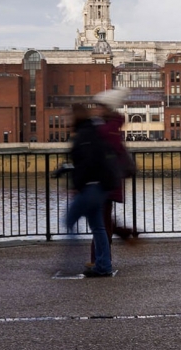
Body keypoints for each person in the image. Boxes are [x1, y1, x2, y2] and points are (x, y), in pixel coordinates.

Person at [65, 103, 117, 277]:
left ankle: (71, 262)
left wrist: (77, 186)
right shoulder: (93, 131)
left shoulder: (83, 135)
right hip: (100, 187)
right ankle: (104, 266)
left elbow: (85, 164)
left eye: (68, 116)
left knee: (69, 221)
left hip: (89, 188)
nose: (66, 119)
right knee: (98, 227)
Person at [89, 88, 136, 267]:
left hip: (103, 183)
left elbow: (102, 153)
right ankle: (104, 256)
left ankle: (100, 261)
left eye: (99, 106)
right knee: (103, 223)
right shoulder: (110, 127)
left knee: (101, 224)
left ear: (107, 108)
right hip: (107, 183)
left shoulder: (106, 129)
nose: (96, 109)